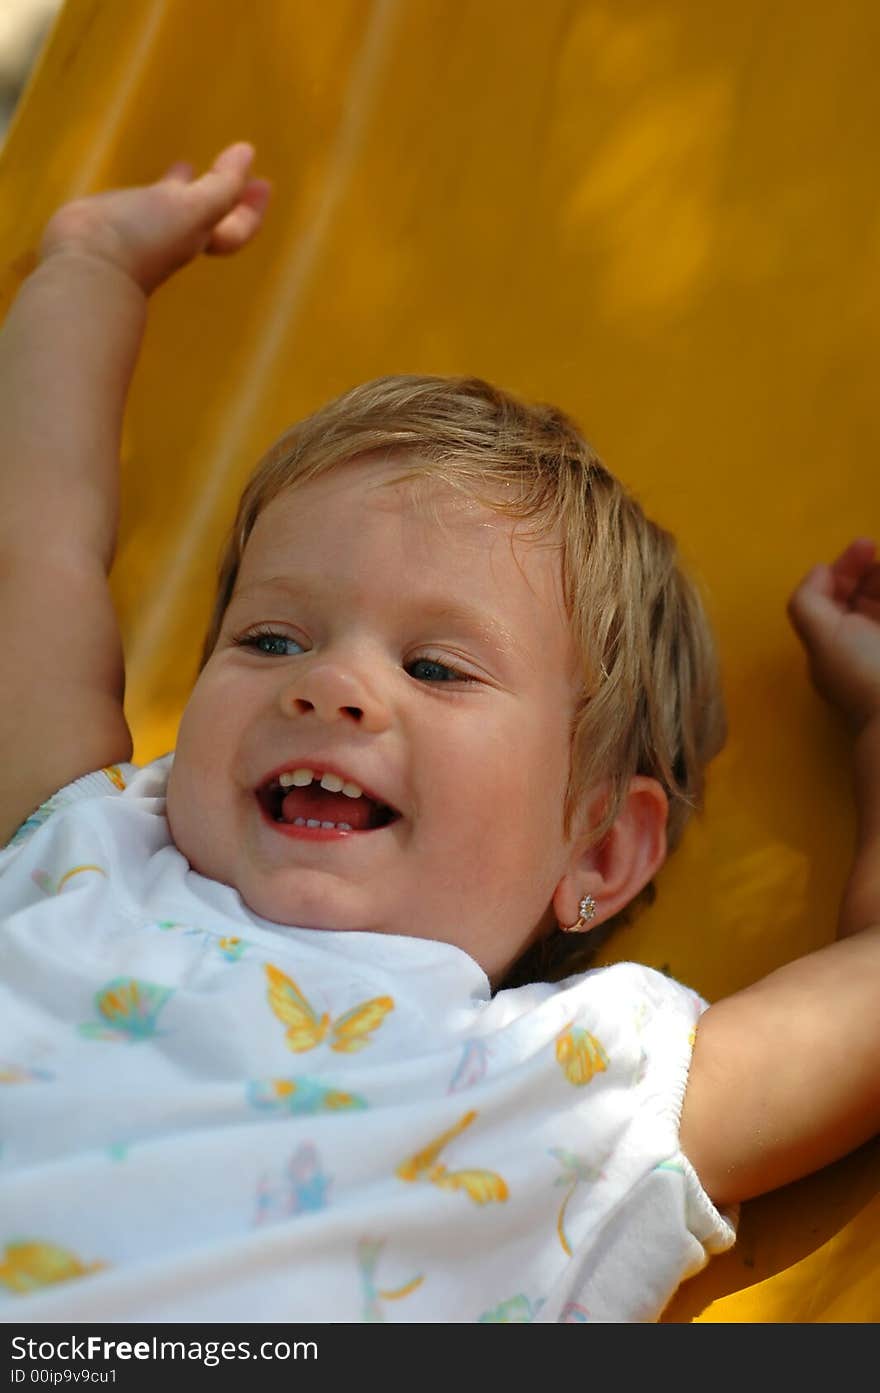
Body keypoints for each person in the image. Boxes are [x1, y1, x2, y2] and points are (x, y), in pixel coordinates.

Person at [0, 142, 877, 1325]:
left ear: (600, 852)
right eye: (270, 639)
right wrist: (90, 268)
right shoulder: (83, 843)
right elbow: (37, 549)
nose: (332, 686)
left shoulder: (568, 1091)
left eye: (434, 666)